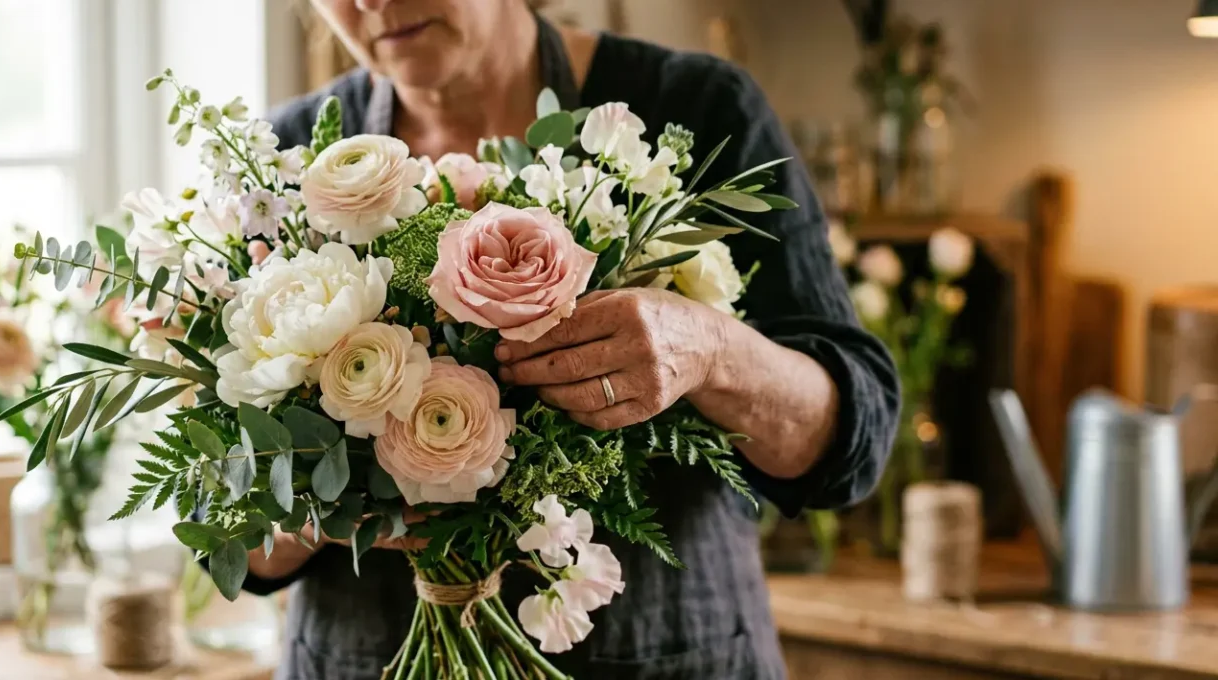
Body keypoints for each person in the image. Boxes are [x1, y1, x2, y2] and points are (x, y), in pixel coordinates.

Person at [245, 1, 900, 677]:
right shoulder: (286, 162)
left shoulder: (698, 107)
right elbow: (227, 542)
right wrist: (315, 495)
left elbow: (856, 439)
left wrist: (710, 350)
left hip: (668, 657)